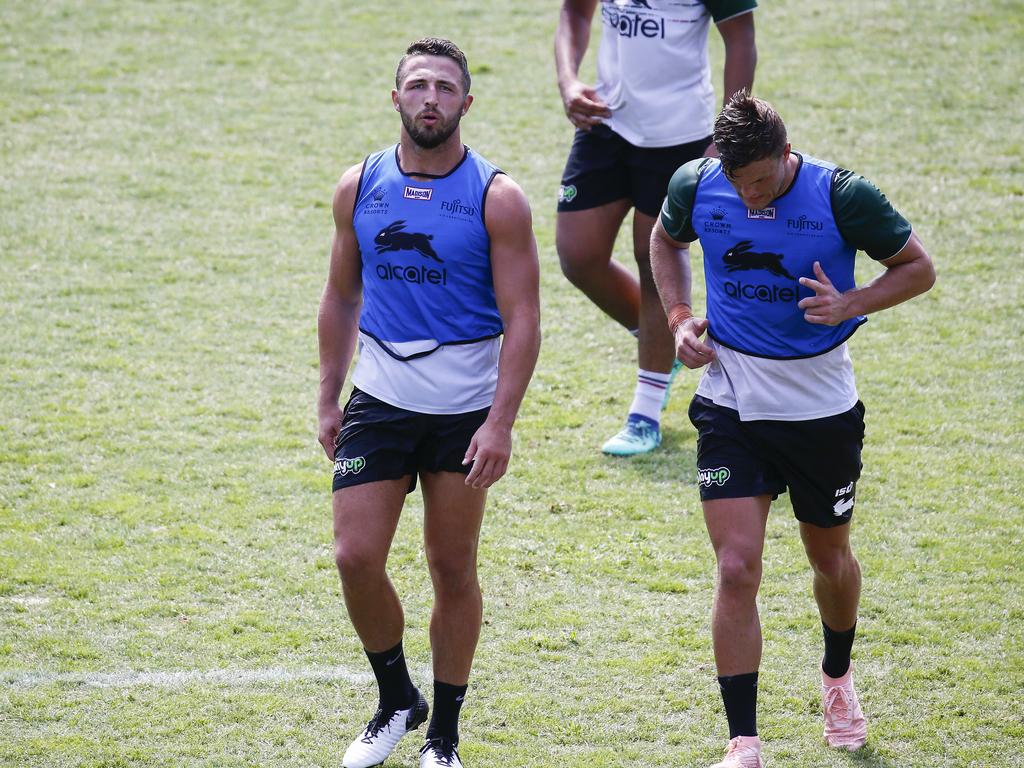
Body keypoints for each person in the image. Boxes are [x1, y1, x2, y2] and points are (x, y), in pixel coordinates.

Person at [650, 92, 935, 767]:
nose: (747, 199)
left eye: (760, 182)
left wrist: (852, 303)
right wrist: (679, 317)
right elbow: (664, 244)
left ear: (785, 155)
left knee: (829, 561)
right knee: (736, 565)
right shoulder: (697, 183)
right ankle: (743, 742)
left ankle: (837, 677)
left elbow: (919, 267)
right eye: (736, 182)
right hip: (731, 401)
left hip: (820, 410)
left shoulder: (844, 196)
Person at [317, 38, 541, 768]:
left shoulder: (496, 197)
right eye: (418, 85)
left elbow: (525, 321)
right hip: (378, 398)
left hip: (463, 410)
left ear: (466, 104)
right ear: (396, 98)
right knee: (354, 556)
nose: (431, 98)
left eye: (446, 87)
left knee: (451, 568)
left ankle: (442, 736)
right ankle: (396, 700)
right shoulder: (360, 185)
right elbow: (342, 294)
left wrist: (501, 422)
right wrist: (327, 396)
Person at [554, 0, 757, 456]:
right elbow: (574, 12)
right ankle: (662, 346)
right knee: (578, 255)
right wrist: (568, 81)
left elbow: (741, 38)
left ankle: (645, 415)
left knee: (654, 261)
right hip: (605, 121)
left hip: (679, 135)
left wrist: (727, 133)